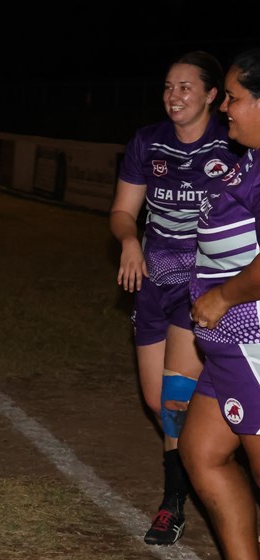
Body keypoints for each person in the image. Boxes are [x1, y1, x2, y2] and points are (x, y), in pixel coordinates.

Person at [108, 50, 240, 546]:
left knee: (175, 403)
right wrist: (127, 242)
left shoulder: (231, 146)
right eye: (168, 86)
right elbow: (124, 211)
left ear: (212, 95)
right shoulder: (147, 141)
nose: (174, 95)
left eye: (186, 87)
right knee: (156, 401)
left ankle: (174, 504)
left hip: (200, 286)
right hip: (152, 283)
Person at [181, 46, 260, 559]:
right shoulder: (251, 158)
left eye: (233, 98)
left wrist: (223, 296)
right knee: (203, 451)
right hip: (228, 338)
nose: (225, 108)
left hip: (251, 335)